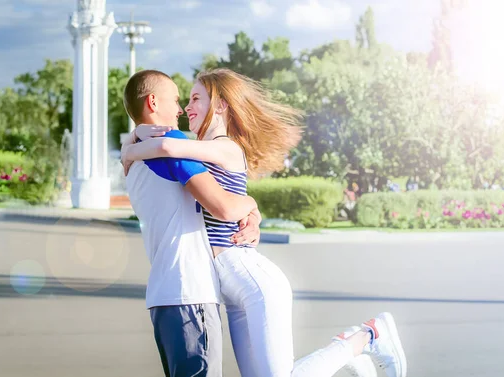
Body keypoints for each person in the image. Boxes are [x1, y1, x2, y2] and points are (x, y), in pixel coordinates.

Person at [122, 68, 407, 377]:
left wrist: (129, 149)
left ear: (220, 105)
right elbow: (175, 153)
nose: (185, 108)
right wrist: (136, 136)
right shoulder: (201, 153)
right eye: (182, 99)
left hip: (250, 279)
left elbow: (170, 148)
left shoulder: (224, 147)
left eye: (194, 99)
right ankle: (351, 354)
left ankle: (367, 337)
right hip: (229, 289)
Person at [121, 69, 263, 377]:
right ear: (153, 101)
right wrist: (252, 205)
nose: (180, 109)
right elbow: (225, 207)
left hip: (163, 298)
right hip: (190, 294)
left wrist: (131, 142)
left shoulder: (132, 161)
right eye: (175, 100)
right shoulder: (169, 145)